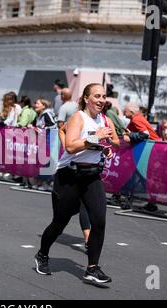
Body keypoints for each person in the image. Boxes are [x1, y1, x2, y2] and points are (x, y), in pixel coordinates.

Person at [34, 83, 120, 286]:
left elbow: (116, 140)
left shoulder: (105, 119)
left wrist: (106, 146)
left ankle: (92, 268)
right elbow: (71, 146)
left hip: (91, 176)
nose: (100, 100)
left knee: (99, 221)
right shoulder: (78, 117)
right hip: (69, 176)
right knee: (60, 222)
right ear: (86, 98)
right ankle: (42, 255)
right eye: (96, 96)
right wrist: (94, 138)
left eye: (103, 96)